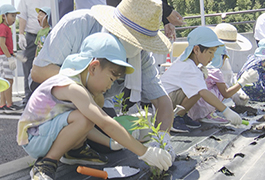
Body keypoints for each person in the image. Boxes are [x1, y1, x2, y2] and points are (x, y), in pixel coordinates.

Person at [30, 0, 176, 161]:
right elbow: (39, 71)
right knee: (90, 122)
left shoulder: (140, 55)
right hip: (54, 95)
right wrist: (87, 92)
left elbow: (162, 100)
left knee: (110, 143)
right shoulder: (78, 24)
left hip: (96, 101)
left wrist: (162, 139)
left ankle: (75, 146)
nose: (137, 46)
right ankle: (52, 156)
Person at [17, 33, 172, 180]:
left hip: (44, 133)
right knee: (87, 116)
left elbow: (84, 125)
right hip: (34, 138)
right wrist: (144, 152)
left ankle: (75, 151)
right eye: (111, 78)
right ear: (93, 67)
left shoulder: (79, 85)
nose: (110, 86)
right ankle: (46, 164)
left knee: (89, 112)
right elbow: (103, 122)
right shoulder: (72, 86)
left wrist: (111, 143)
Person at [160, 26, 242, 133]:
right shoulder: (189, 67)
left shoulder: (188, 62)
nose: (212, 58)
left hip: (165, 100)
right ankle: (175, 118)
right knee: (199, 90)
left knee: (198, 87)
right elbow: (203, 92)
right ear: (197, 50)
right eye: (210, 52)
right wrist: (226, 111)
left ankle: (182, 114)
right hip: (164, 103)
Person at [187, 45, 258, 123]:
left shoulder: (199, 68)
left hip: (190, 109)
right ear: (221, 58)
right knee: (224, 87)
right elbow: (226, 93)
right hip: (202, 108)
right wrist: (243, 81)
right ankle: (208, 114)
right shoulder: (216, 72)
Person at [17, 0, 51, 106]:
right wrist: (21, 34)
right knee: (27, 66)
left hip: (49, 34)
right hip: (31, 36)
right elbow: (22, 16)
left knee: (48, 67)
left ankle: (46, 98)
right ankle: (28, 98)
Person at [0, 4, 23, 114]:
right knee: (9, 80)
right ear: (4, 16)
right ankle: (9, 104)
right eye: (12, 16)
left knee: (4, 81)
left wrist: (12, 55)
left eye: (15, 16)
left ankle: (3, 104)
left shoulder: (4, 28)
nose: (14, 19)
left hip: (4, 56)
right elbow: (2, 44)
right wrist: (9, 58)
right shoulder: (3, 28)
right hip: (4, 57)